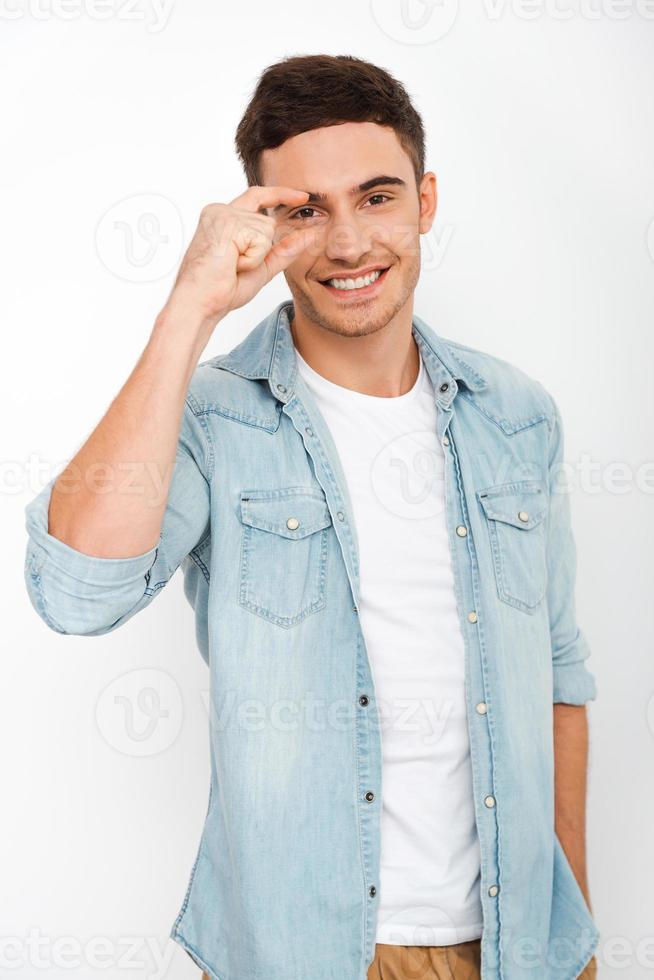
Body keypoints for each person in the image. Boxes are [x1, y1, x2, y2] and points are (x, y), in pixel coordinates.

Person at [24, 54, 599, 980]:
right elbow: (75, 591)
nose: (346, 245)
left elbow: (561, 678)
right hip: (297, 955)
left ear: (426, 201)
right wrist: (190, 308)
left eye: (376, 198)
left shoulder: (517, 414)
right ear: (262, 221)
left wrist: (573, 932)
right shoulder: (211, 418)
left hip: (516, 948)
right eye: (305, 211)